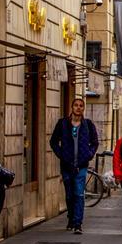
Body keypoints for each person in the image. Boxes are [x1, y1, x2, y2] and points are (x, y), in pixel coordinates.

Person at [49, 98, 99, 234]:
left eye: (81, 106)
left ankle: (78, 223)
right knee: (70, 195)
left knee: (79, 194)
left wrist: (89, 154)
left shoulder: (88, 125)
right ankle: (71, 218)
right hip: (66, 165)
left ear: (83, 109)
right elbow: (53, 142)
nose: (78, 108)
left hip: (81, 165)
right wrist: (62, 154)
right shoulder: (63, 124)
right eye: (76, 105)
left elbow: (95, 142)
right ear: (71, 107)